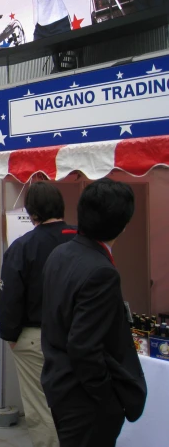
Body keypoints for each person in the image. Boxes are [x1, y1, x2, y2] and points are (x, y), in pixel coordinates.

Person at [41, 178, 146, 446]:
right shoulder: (101, 271)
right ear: (123, 225)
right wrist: (108, 399)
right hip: (84, 398)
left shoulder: (60, 254)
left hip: (60, 384)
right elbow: (84, 347)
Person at [0, 182, 76, 447]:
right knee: (79, 400)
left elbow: (11, 297)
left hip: (37, 338)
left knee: (42, 406)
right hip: (83, 333)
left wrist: (10, 335)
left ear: (31, 212)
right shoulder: (84, 240)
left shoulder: (23, 246)